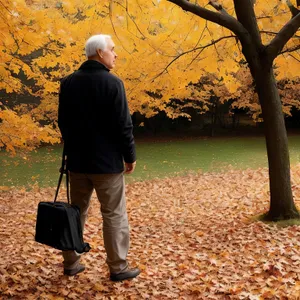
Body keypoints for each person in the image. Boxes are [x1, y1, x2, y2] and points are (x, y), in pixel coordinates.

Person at [58, 34, 140, 281]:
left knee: (76, 212)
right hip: (107, 165)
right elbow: (123, 125)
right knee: (114, 214)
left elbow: (63, 122)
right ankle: (118, 267)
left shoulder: (68, 82)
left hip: (77, 163)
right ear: (100, 53)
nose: (115, 54)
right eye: (112, 50)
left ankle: (71, 263)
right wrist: (130, 156)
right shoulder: (113, 84)